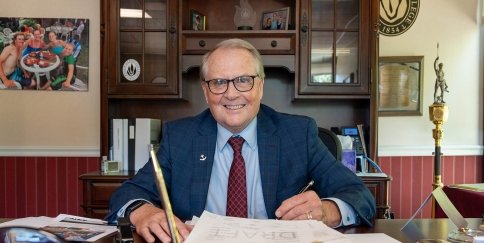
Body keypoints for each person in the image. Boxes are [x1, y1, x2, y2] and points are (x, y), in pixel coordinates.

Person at [106, 38, 375, 242]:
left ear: (260, 85)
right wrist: (143, 213)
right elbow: (128, 193)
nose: (231, 94)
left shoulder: (298, 134)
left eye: (243, 80)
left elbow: (360, 195)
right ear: (205, 89)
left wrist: (329, 210)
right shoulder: (181, 137)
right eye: (219, 82)